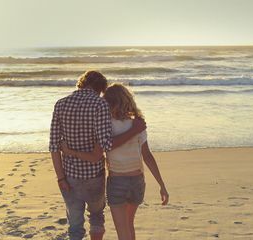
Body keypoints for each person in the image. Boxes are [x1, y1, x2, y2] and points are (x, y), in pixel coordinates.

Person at [61, 83, 169, 240]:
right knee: (129, 225)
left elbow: (101, 151)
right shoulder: (138, 124)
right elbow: (147, 156)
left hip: (118, 181)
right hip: (138, 181)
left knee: (122, 232)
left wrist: (70, 151)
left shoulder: (107, 126)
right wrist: (162, 185)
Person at [49, 71, 146, 240]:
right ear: (101, 89)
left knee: (75, 225)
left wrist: (60, 178)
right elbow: (107, 144)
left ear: (81, 83)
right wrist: (134, 130)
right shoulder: (100, 104)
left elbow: (54, 146)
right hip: (94, 175)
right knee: (96, 218)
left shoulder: (60, 104)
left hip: (69, 176)